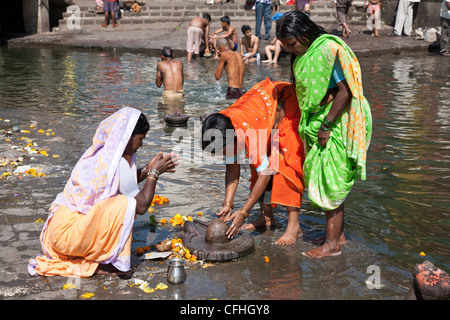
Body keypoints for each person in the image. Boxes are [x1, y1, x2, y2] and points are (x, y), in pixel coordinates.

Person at [28, 108, 179, 277]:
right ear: (128, 136)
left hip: (58, 233)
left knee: (122, 199)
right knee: (125, 203)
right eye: (141, 139)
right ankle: (102, 263)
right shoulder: (117, 163)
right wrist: (154, 174)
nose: (141, 145)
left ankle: (91, 251)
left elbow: (122, 183)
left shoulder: (103, 153)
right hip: (68, 237)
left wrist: (146, 171)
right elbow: (141, 205)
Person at [277, 11, 372, 258]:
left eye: (293, 44)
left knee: (330, 181)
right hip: (317, 122)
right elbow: (317, 93)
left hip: (333, 124)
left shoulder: (327, 50)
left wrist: (326, 125)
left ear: (304, 34)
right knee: (329, 180)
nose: (290, 51)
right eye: (286, 47)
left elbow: (345, 91)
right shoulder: (305, 55)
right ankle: (338, 236)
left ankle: (332, 246)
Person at [201, 78, 305, 245]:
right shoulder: (223, 124)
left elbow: (265, 175)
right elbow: (232, 168)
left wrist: (244, 211)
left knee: (284, 165)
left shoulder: (248, 133)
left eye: (222, 152)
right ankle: (267, 218)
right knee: (256, 167)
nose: (223, 156)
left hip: (288, 106)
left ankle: (295, 226)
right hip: (264, 117)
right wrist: (228, 203)